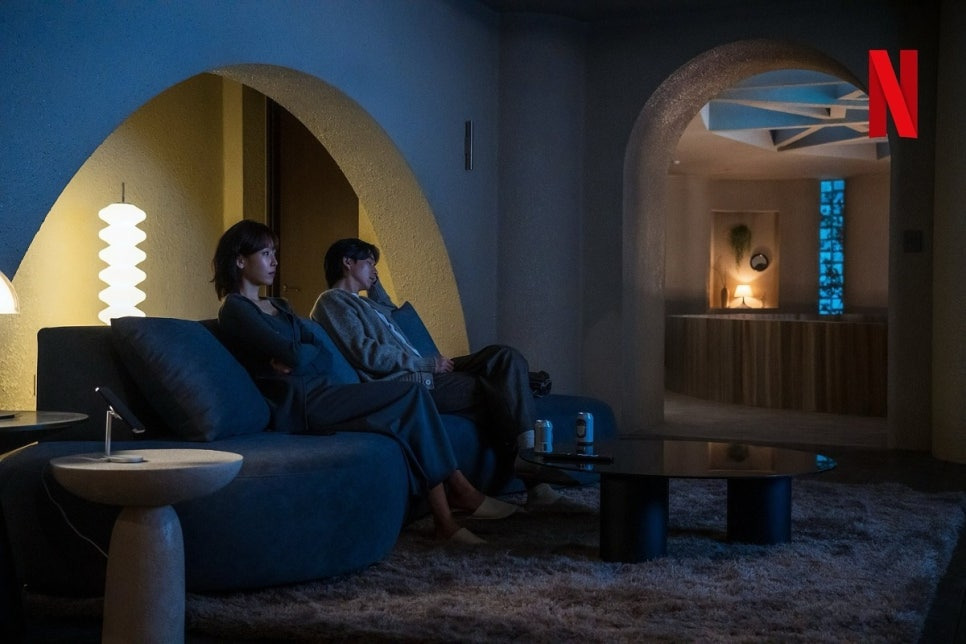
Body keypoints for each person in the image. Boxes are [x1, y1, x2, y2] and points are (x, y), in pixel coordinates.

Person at [212, 220, 518, 544]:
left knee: (411, 398)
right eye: (265, 253)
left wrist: (294, 354)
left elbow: (317, 353)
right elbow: (297, 354)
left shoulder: (280, 305)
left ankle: (449, 512)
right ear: (240, 260)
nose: (274, 261)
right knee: (409, 395)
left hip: (325, 389)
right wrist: (294, 354)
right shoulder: (234, 309)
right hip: (299, 404)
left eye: (274, 252)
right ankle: (456, 502)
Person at [309, 238, 564, 509]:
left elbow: (389, 309)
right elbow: (366, 353)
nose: (375, 270)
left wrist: (374, 284)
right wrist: (426, 364)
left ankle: (526, 441)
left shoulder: (367, 304)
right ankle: (535, 477)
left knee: (504, 356)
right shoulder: (332, 301)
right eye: (369, 263)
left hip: (429, 372)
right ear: (347, 262)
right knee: (500, 387)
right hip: (413, 381)